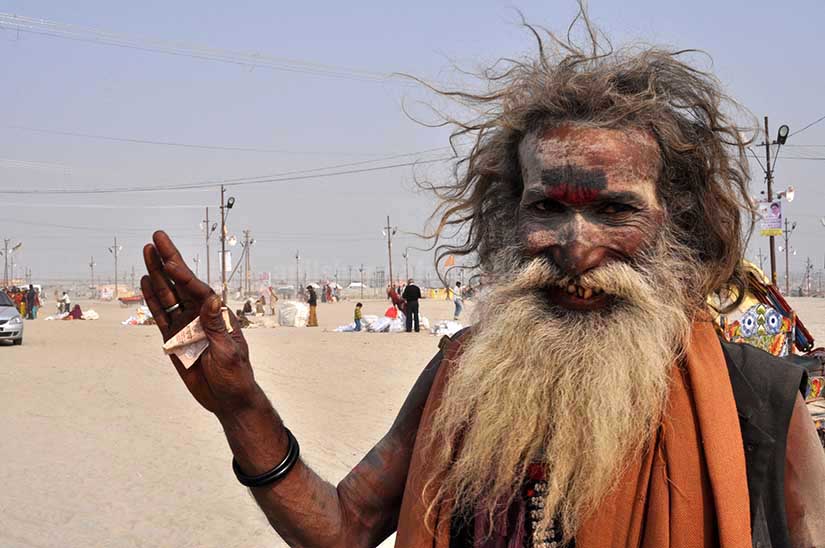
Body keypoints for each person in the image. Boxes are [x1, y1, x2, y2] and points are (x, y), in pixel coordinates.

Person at [139, 15, 825, 548]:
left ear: (674, 226)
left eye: (614, 210)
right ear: (510, 216)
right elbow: (343, 528)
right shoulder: (464, 374)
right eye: (546, 208)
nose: (575, 248)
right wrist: (241, 406)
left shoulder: (753, 401)